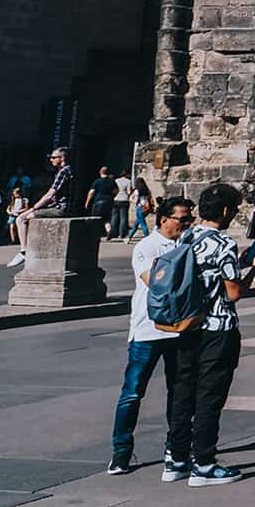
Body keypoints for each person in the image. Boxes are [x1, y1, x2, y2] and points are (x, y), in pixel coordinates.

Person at [165, 182, 255, 486]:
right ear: (227, 211)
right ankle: (204, 464)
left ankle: (176, 458)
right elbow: (233, 293)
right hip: (218, 328)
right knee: (209, 396)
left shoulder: (185, 236)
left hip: (187, 324)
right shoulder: (223, 242)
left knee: (183, 391)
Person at [109, 196, 195, 475]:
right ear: (163, 220)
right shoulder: (147, 247)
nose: (186, 224)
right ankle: (120, 452)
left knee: (179, 394)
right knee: (133, 393)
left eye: (189, 219)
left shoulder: (187, 243)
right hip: (148, 329)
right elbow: (157, 284)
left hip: (179, 330)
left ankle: (176, 448)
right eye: (182, 219)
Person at [10, 147, 75, 266]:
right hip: (62, 207)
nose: (51, 160)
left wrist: (33, 208)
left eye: (53, 157)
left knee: (21, 219)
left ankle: (23, 251)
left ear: (62, 158)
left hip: (60, 209)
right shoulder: (68, 170)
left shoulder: (63, 172)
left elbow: (50, 194)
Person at [87, 166, 118, 240]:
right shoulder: (111, 181)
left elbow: (92, 192)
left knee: (96, 218)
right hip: (109, 201)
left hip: (98, 201)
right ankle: (109, 230)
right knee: (107, 219)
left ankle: (94, 234)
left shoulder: (97, 181)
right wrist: (112, 196)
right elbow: (116, 190)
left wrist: (87, 201)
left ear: (100, 172)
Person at [128, 177, 156, 241]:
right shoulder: (147, 190)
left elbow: (136, 200)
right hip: (146, 208)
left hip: (140, 207)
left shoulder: (137, 191)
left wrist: (131, 199)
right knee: (136, 223)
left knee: (143, 224)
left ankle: (147, 238)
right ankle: (129, 237)